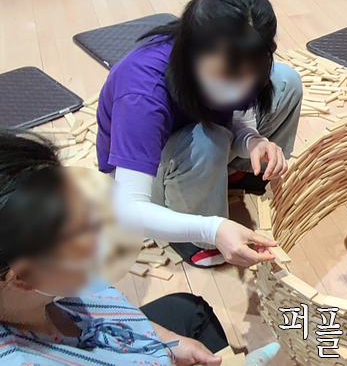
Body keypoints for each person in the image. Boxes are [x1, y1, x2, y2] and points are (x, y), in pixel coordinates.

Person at [95, 0, 303, 267]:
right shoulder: (142, 92)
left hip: (197, 142)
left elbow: (237, 114)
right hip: (148, 174)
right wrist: (210, 229)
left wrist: (253, 141)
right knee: (208, 140)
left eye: (250, 74)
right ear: (192, 51)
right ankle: (191, 237)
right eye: (226, 74)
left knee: (287, 81)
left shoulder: (240, 58)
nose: (242, 88)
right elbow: (129, 209)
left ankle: (236, 173)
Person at [0, 130, 228, 366]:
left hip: (120, 336)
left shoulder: (35, 295)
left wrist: (166, 339)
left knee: (189, 309)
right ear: (24, 279)